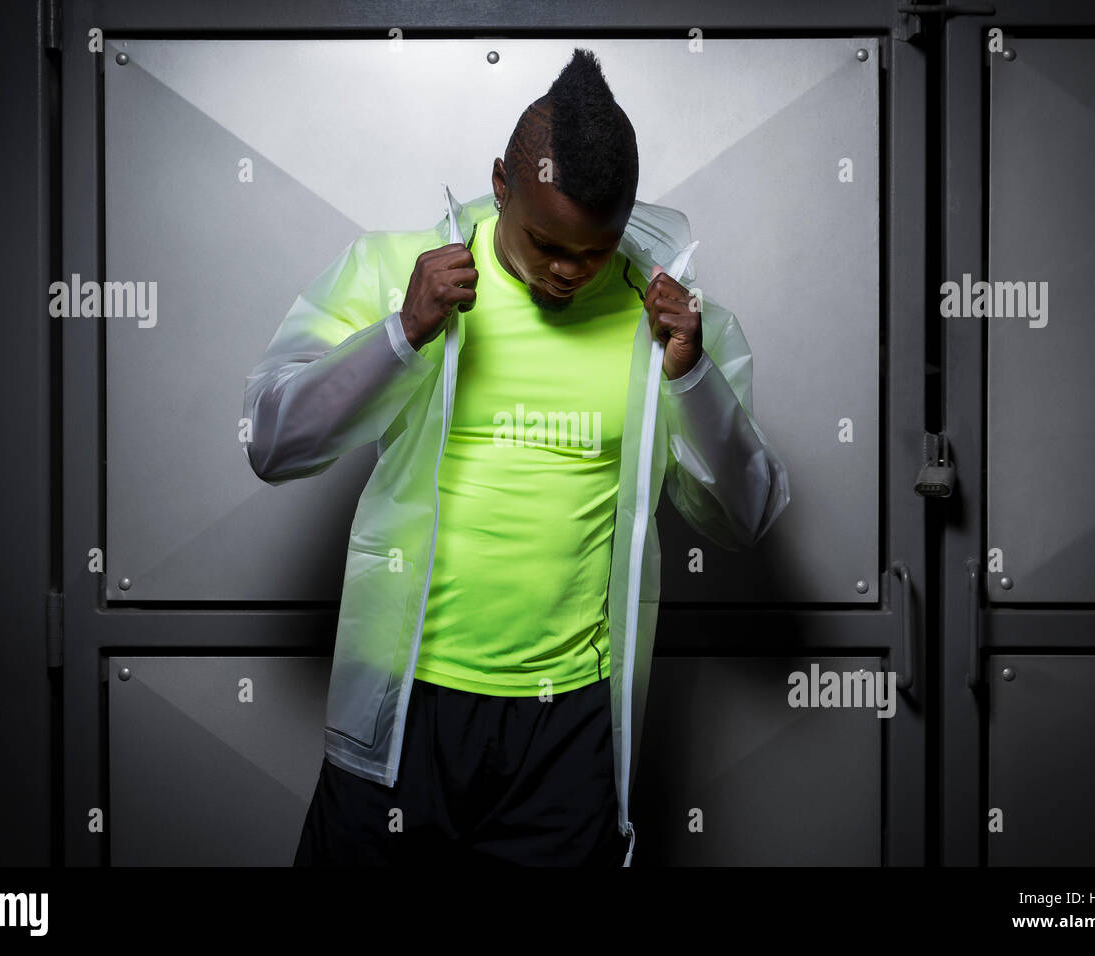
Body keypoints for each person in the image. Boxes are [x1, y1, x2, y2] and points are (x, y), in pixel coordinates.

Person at [243, 47, 789, 866]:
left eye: (594, 252)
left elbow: (747, 516)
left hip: (566, 728)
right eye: (545, 244)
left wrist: (694, 378)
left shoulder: (671, 326)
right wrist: (402, 333)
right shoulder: (398, 272)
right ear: (502, 184)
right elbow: (272, 442)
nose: (568, 272)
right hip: (403, 704)